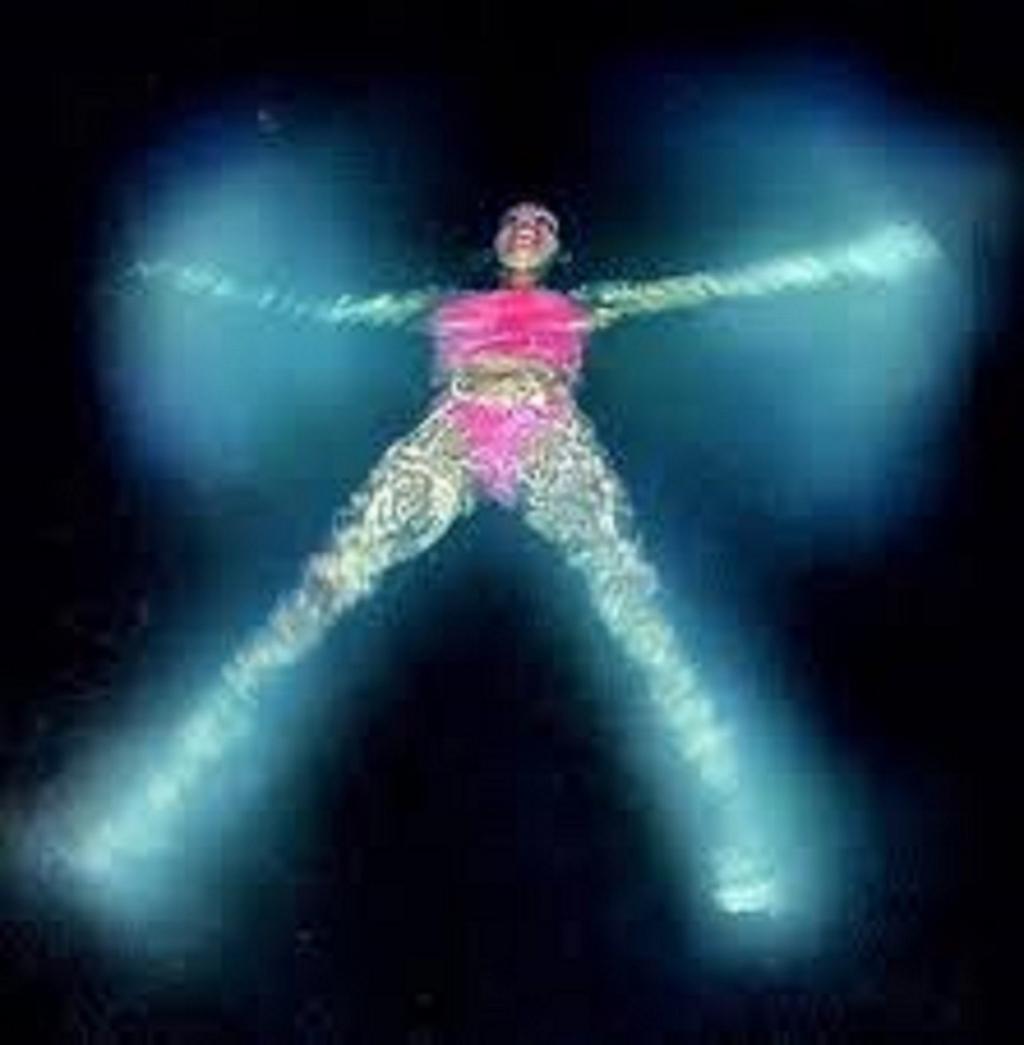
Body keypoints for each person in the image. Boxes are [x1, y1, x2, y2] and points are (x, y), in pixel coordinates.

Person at [79, 203, 940, 914]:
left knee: (646, 626)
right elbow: (315, 307)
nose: (526, 229)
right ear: (496, 240)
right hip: (452, 437)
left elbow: (714, 286)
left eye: (542, 224)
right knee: (311, 604)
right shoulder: (446, 306)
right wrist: (197, 282)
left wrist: (852, 262)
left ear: (556, 246)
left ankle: (741, 854)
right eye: (515, 222)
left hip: (546, 437)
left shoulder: (585, 304)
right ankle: (145, 819)